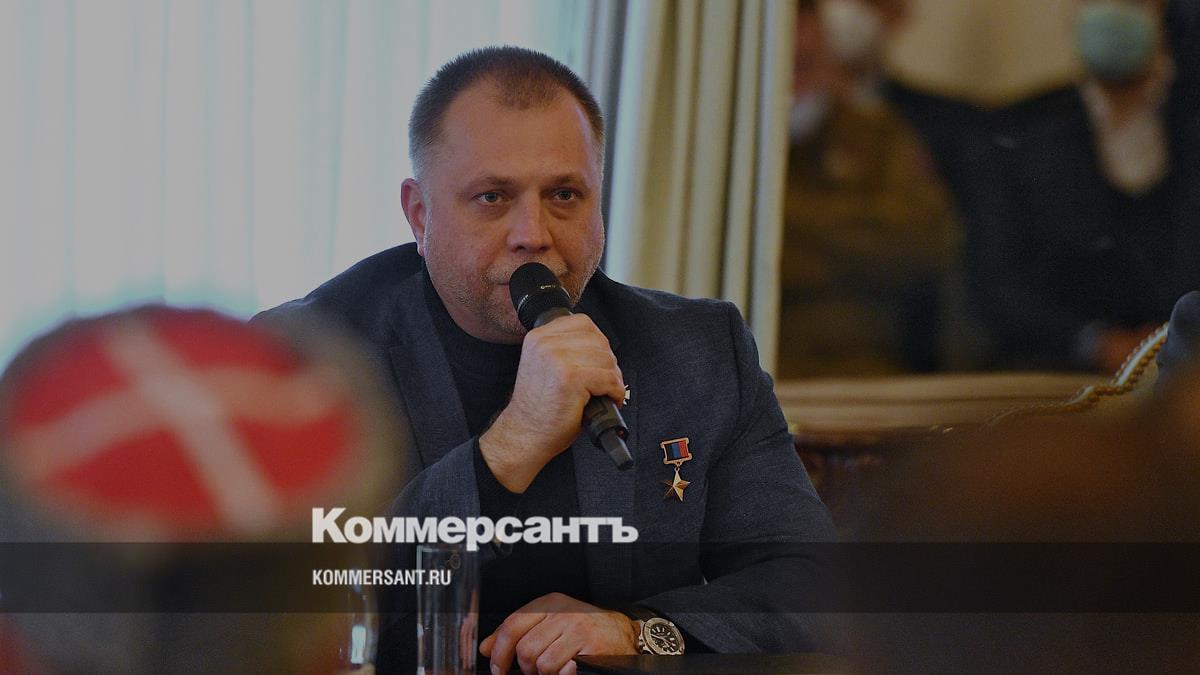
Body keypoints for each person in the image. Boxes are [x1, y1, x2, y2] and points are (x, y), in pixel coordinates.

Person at [257, 47, 836, 674]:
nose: (533, 233)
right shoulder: (302, 361)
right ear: (419, 215)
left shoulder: (697, 350)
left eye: (564, 194)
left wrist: (637, 632)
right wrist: (506, 451)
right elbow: (284, 605)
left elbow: (815, 589)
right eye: (492, 197)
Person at [887, 0, 1200, 372]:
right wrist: (1095, 344)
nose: (1114, 9)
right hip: (1052, 377)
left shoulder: (1187, 126)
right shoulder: (1019, 133)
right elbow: (996, 286)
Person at [778, 0, 959, 378]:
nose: (797, 38)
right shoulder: (722, 138)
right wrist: (850, 228)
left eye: (807, 17)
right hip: (758, 363)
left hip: (864, 366)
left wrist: (785, 224)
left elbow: (921, 245)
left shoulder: (878, 135)